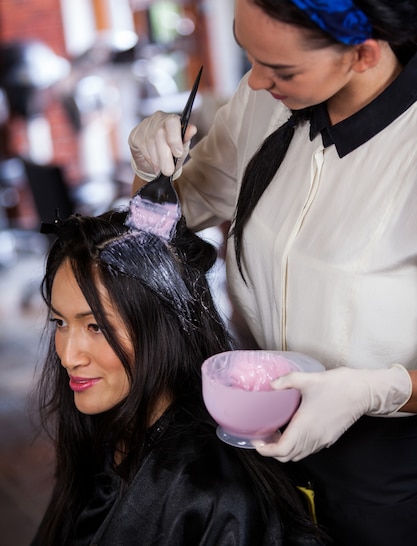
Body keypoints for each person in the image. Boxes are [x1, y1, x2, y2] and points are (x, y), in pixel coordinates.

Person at [127, 0, 417, 544]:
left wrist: (378, 389)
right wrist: (151, 175)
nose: (255, 81)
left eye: (279, 68)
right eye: (247, 53)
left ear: (364, 51)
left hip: (391, 473)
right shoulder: (268, 104)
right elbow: (167, 217)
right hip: (263, 447)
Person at [29, 202, 324, 545]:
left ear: (163, 329)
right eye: (60, 322)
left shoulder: (213, 493)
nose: (67, 356)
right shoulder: (101, 436)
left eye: (95, 326)